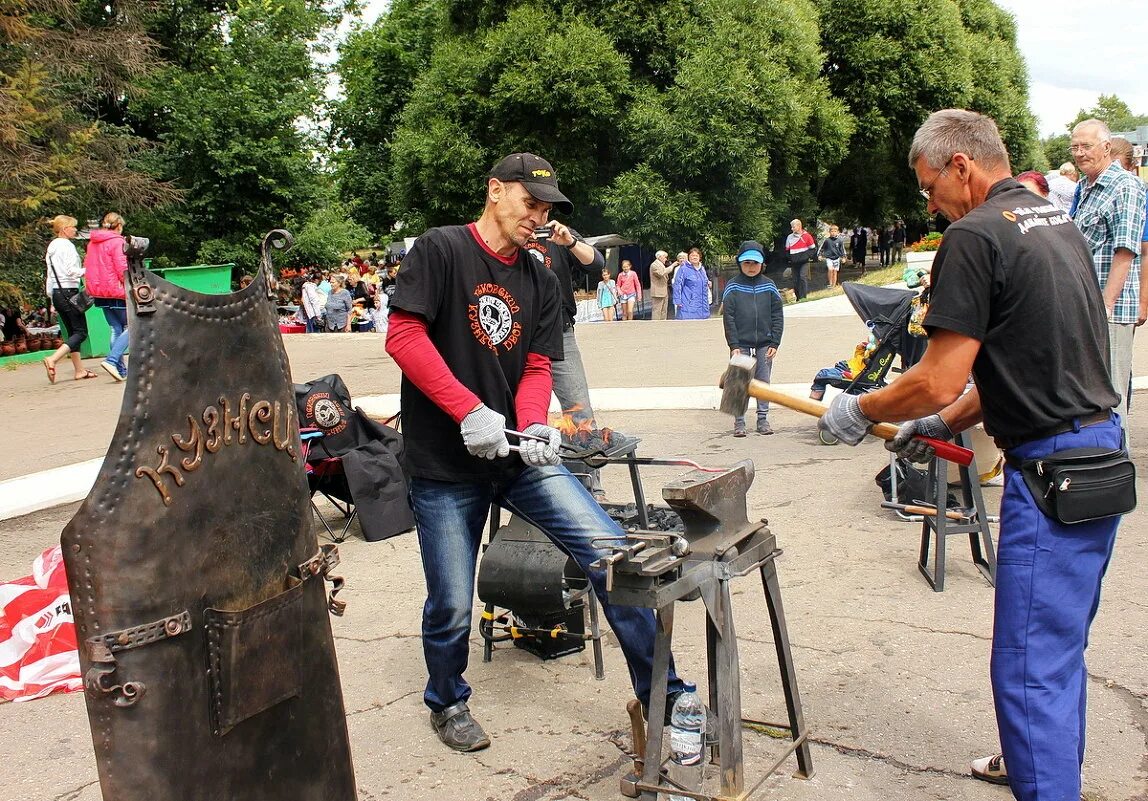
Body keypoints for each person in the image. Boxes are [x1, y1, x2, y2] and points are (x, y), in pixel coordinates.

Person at [819, 109, 1124, 801]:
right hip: (1100, 452)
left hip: (1051, 472)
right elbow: (1012, 367)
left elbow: (938, 373)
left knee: (1027, 664)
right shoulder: (1054, 223)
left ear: (962, 165)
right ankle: (1041, 767)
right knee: (1058, 649)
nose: (928, 204)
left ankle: (1045, 785)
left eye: (930, 186)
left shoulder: (975, 235)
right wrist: (937, 420)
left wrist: (859, 406)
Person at [383, 151, 685, 753]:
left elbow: (539, 365)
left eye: (548, 207)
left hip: (516, 459)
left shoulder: (542, 277)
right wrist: (467, 410)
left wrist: (533, 427)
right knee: (450, 603)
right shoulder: (440, 251)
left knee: (612, 557)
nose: (539, 215)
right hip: (445, 466)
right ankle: (447, 700)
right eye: (531, 201)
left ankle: (666, 697)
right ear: (495, 190)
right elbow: (404, 335)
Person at [521, 212, 609, 499]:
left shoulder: (560, 235)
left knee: (579, 408)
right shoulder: (512, 233)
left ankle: (591, 485)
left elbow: (596, 263)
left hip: (560, 333)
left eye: (543, 208)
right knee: (519, 412)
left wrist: (570, 241)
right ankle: (526, 485)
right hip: (518, 336)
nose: (537, 213)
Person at [1070, 119, 1147, 444]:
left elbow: (1126, 249)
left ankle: (1117, 483)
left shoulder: (1125, 186)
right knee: (1090, 401)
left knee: (1111, 400)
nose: (1079, 153)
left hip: (1109, 312)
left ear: (1106, 147)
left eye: (1085, 146)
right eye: (1074, 147)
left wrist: (1105, 304)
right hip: (1087, 308)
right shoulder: (1085, 186)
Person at [722, 240, 783, 436]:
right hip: (741, 343)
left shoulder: (769, 286)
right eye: (747, 263)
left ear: (762, 264)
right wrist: (733, 344)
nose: (751, 267)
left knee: (763, 381)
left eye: (755, 263)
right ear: (740, 263)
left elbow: (777, 315)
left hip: (765, 343)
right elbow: (728, 317)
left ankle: (762, 419)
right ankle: (739, 421)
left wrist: (775, 341)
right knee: (738, 380)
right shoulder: (732, 287)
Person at [42, 215, 97, 382]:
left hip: (58, 293)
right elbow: (71, 271)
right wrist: (90, 269)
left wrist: (52, 299)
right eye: (73, 227)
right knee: (80, 332)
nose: (75, 229)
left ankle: (79, 370)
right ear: (64, 229)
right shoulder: (66, 246)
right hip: (69, 292)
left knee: (73, 332)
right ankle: (53, 359)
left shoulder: (51, 247)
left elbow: (50, 277)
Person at [84, 212, 130, 382]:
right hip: (116, 291)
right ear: (118, 225)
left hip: (99, 292)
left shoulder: (93, 243)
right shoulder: (117, 242)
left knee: (115, 328)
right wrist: (130, 285)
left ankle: (121, 370)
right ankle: (112, 360)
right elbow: (122, 268)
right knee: (132, 326)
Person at [1109, 137, 1148, 328]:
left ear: (1131, 166)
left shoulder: (1136, 192)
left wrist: (1143, 302)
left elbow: (1145, 252)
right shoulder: (1088, 189)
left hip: (1123, 301)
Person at [673, 247, 711, 319]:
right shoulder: (683, 269)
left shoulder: (702, 269)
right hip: (688, 304)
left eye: (696, 256)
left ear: (700, 257)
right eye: (692, 256)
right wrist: (677, 300)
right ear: (688, 257)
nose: (694, 257)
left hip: (703, 305)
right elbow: (677, 285)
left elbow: (705, 282)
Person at [785, 220, 816, 299]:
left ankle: (803, 297)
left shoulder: (807, 236)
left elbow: (813, 249)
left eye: (793, 227)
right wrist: (790, 259)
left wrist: (806, 256)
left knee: (802, 277)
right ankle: (798, 298)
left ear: (799, 226)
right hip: (794, 262)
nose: (792, 228)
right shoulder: (789, 237)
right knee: (795, 280)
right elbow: (787, 250)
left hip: (804, 262)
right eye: (791, 227)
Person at [817, 224, 846, 288]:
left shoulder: (840, 241)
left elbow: (842, 250)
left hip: (836, 258)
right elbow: (822, 248)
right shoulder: (827, 240)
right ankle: (830, 283)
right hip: (829, 258)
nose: (833, 233)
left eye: (835, 231)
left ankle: (834, 284)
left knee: (835, 271)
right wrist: (820, 255)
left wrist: (844, 257)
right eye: (832, 231)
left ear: (837, 232)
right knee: (830, 269)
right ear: (829, 232)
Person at [649, 250, 671, 320]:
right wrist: (672, 266)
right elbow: (661, 273)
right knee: (657, 311)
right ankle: (655, 327)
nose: (666, 259)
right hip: (657, 292)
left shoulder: (662, 265)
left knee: (664, 311)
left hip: (664, 291)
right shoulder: (654, 265)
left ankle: (663, 326)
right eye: (665, 257)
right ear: (660, 257)